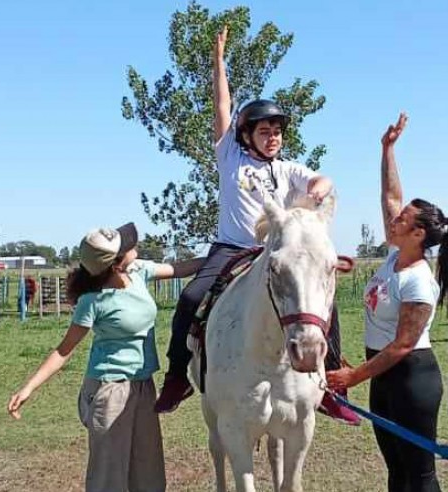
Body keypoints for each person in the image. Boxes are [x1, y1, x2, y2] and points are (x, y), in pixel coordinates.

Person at [154, 26, 360, 425]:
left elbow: (324, 179)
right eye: (265, 131)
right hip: (231, 250)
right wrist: (218, 62)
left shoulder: (288, 168)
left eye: (278, 132)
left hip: (273, 252)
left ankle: (332, 387)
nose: (273, 138)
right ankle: (177, 376)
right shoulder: (230, 156)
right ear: (245, 135)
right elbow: (222, 107)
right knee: (191, 298)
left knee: (321, 306)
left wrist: (317, 191)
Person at [327, 113, 448, 492]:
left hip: (412, 379)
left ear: (418, 233)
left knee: (420, 474)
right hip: (384, 377)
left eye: (402, 220)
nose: (393, 221)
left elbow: (404, 345)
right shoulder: (394, 256)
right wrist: (387, 149)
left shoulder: (419, 280)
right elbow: (390, 197)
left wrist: (352, 376)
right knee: (396, 471)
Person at [8, 222, 205, 492]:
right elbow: (64, 350)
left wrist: (230, 254)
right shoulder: (94, 300)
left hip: (143, 384)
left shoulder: (138, 272)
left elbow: (183, 268)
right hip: (109, 391)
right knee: (108, 477)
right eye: (127, 246)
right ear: (115, 263)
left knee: (148, 474)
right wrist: (28, 388)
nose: (133, 245)